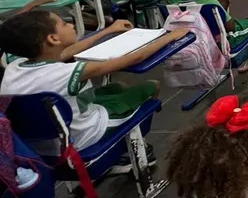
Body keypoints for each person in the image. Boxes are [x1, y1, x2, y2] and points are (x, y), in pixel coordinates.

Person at [0, 10, 187, 153]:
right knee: (151, 84)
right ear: (53, 38)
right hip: (84, 136)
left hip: (42, 142)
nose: (72, 25)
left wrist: (108, 30)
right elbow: (135, 58)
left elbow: (66, 53)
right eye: (65, 24)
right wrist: (171, 36)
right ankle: (135, 147)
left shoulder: (14, 67)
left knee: (118, 86)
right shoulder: (69, 72)